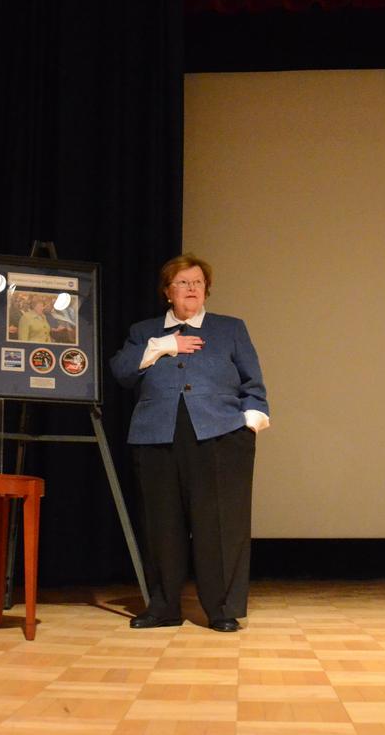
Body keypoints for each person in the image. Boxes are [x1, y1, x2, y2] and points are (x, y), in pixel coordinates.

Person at [110, 254, 270, 632]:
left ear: (206, 290)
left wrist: (248, 422)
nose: (191, 289)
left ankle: (221, 609)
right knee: (161, 526)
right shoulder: (144, 331)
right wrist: (164, 346)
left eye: (197, 282)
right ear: (168, 292)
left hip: (220, 437)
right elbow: (120, 372)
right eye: (182, 283)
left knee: (219, 526)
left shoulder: (231, 329)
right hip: (156, 436)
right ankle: (163, 608)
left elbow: (254, 384)